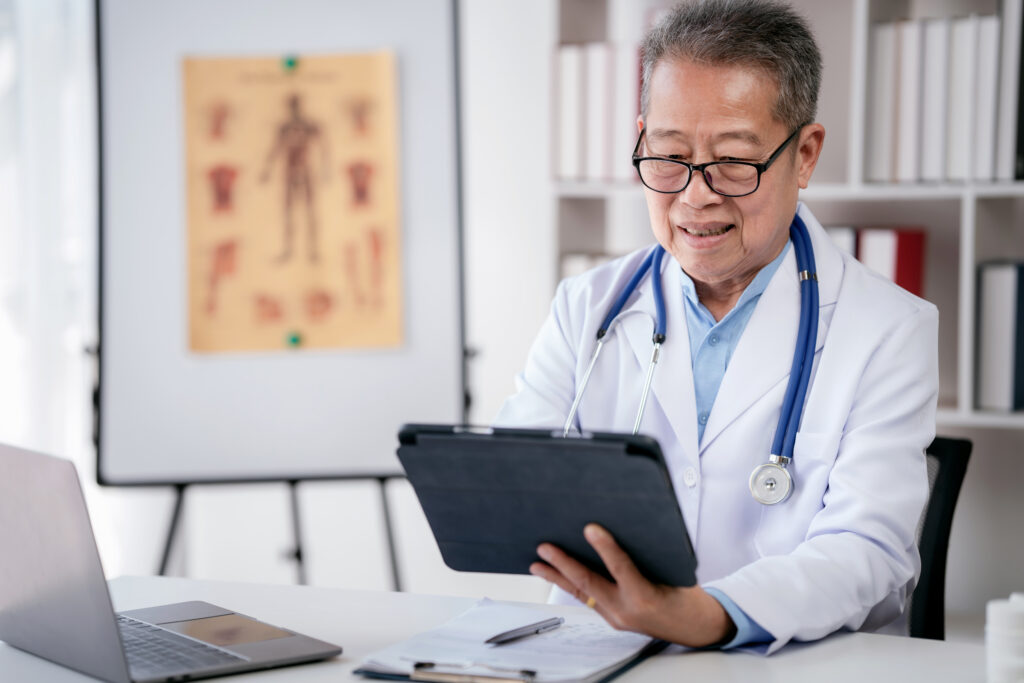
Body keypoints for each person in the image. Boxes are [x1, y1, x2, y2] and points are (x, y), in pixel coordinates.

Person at [494, 0, 937, 654]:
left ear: (805, 154)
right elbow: (512, 484)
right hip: (601, 653)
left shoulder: (888, 328)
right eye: (669, 156)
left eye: (733, 161)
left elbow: (865, 548)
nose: (695, 195)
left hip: (799, 662)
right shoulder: (587, 307)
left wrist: (705, 613)